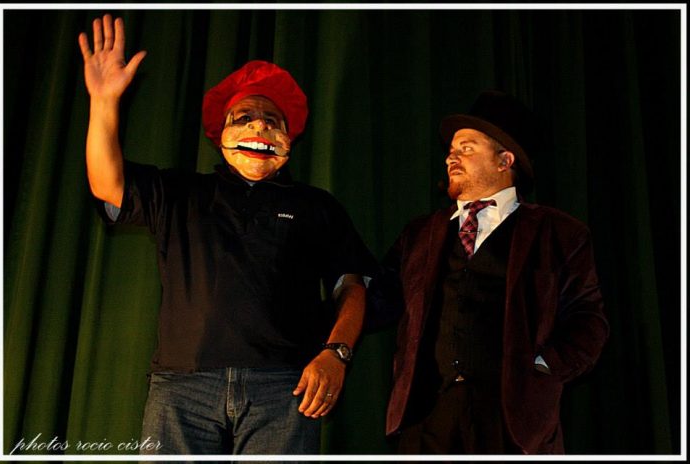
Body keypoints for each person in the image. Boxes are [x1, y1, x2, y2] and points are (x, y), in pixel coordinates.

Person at [78, 14, 375, 455]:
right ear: (221, 136)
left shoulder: (317, 206)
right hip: (183, 385)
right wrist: (103, 103)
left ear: (289, 138)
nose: (259, 128)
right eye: (245, 117)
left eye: (271, 120)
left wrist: (337, 353)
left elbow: (352, 285)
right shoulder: (180, 192)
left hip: (284, 386)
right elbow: (108, 185)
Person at [368, 90, 609, 454]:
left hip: (512, 424)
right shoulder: (420, 234)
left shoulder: (560, 233)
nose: (451, 157)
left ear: (504, 160)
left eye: (466, 148)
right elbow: (377, 297)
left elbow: (588, 320)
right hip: (428, 418)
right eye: (451, 149)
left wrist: (542, 367)